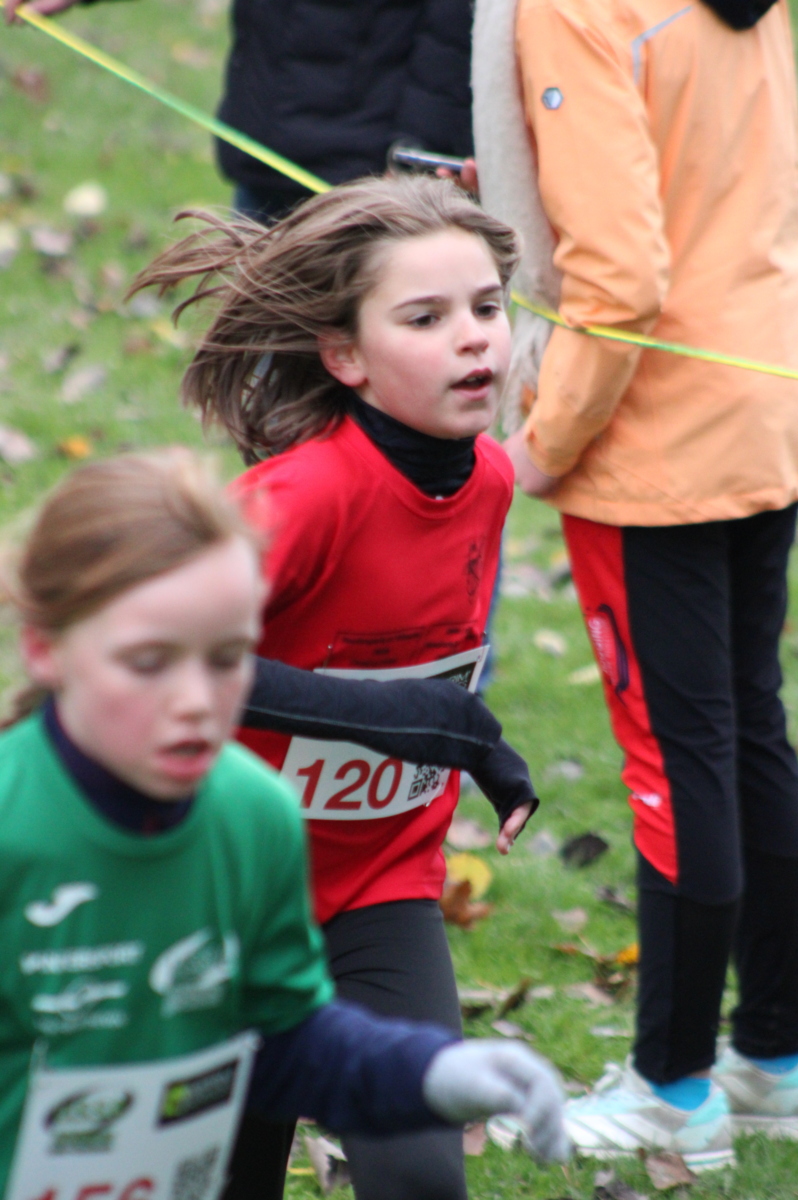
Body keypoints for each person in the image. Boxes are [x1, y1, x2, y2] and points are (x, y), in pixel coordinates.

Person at [0, 449, 569, 1199]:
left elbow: (284, 1038)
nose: (195, 701)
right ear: (45, 649)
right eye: (148, 661)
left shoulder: (256, 814)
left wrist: (431, 1072)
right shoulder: (14, 826)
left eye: (228, 658)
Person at [131, 175, 532, 1200]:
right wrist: (405, 719)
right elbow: (161, 651)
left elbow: (427, 664)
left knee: (421, 1178)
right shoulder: (300, 496)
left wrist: (478, 746)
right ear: (344, 356)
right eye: (425, 318)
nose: (473, 337)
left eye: (487, 307)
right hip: (226, 888)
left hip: (379, 888)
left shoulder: (487, 478)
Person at [472, 0, 798, 1173]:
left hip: (655, 437)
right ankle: (772, 1059)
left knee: (679, 755)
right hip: (757, 397)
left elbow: (616, 280)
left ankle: (671, 1089)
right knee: (744, 728)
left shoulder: (575, 7)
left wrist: (537, 445)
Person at [5, 0, 476, 222]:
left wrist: (417, 156)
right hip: (267, 149)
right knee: (251, 365)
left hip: (375, 181)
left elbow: (454, 29)